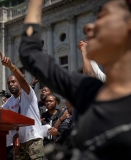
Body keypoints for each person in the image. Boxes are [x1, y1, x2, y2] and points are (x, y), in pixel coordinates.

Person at [19, 0, 131, 159]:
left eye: (104, 16)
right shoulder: (88, 89)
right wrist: (36, 4)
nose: (88, 27)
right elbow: (30, 55)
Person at [0, 52, 44, 160]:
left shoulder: (28, 94)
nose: (11, 84)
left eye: (14, 81)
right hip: (19, 141)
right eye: (9, 83)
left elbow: (23, 80)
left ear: (19, 83)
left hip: (34, 139)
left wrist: (11, 66)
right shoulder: (9, 102)